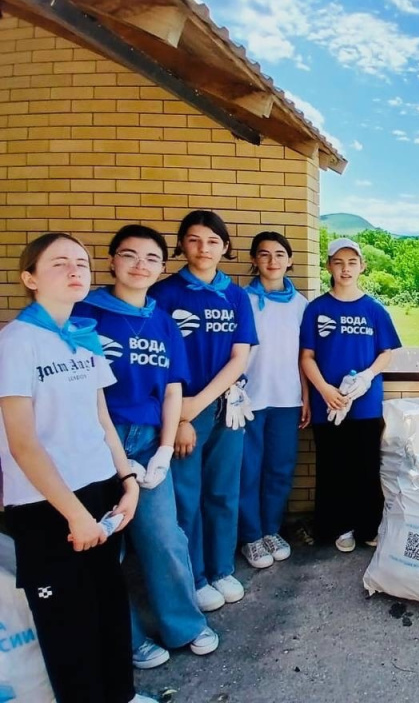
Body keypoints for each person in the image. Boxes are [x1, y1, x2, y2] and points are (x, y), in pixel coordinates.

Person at [0, 232, 156, 703]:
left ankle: (122, 695)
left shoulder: (84, 337)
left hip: (100, 492)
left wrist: (127, 481)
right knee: (68, 627)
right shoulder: (16, 342)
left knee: (108, 604)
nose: (74, 271)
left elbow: (102, 420)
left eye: (82, 264)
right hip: (48, 506)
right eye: (59, 264)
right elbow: (22, 443)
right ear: (30, 278)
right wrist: (73, 515)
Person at [74, 225, 219, 669]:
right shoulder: (85, 314)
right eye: (130, 255)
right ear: (113, 260)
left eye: (152, 258)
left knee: (163, 535)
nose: (140, 266)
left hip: (149, 438)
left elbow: (174, 386)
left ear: (161, 265)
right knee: (105, 543)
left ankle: (185, 624)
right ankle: (129, 639)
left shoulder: (161, 319)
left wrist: (163, 444)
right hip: (99, 438)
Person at [150, 210, 258, 612]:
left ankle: (220, 569)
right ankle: (192, 577)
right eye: (194, 240)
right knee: (186, 497)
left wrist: (204, 402)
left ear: (225, 247)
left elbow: (239, 356)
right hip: (182, 413)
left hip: (225, 408)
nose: (203, 249)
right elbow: (158, 362)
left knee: (223, 491)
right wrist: (181, 416)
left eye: (213, 241)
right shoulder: (164, 294)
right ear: (181, 245)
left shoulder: (235, 295)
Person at [300, 237, 402, 551]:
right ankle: (339, 527)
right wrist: (325, 390)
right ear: (329, 265)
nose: (345, 269)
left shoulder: (374, 309)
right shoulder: (317, 309)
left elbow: (387, 351)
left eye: (352, 263)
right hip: (327, 403)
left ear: (362, 266)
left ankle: (368, 527)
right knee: (333, 466)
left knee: (366, 465)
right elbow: (306, 357)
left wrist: (369, 376)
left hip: (365, 404)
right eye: (339, 262)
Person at [238, 232, 310, 569]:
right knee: (248, 470)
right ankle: (251, 536)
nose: (272, 261)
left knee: (280, 468)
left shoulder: (301, 306)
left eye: (279, 254)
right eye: (264, 254)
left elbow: (304, 357)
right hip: (248, 400)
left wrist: (306, 397)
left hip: (286, 399)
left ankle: (271, 530)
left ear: (290, 260)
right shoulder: (240, 300)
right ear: (253, 260)